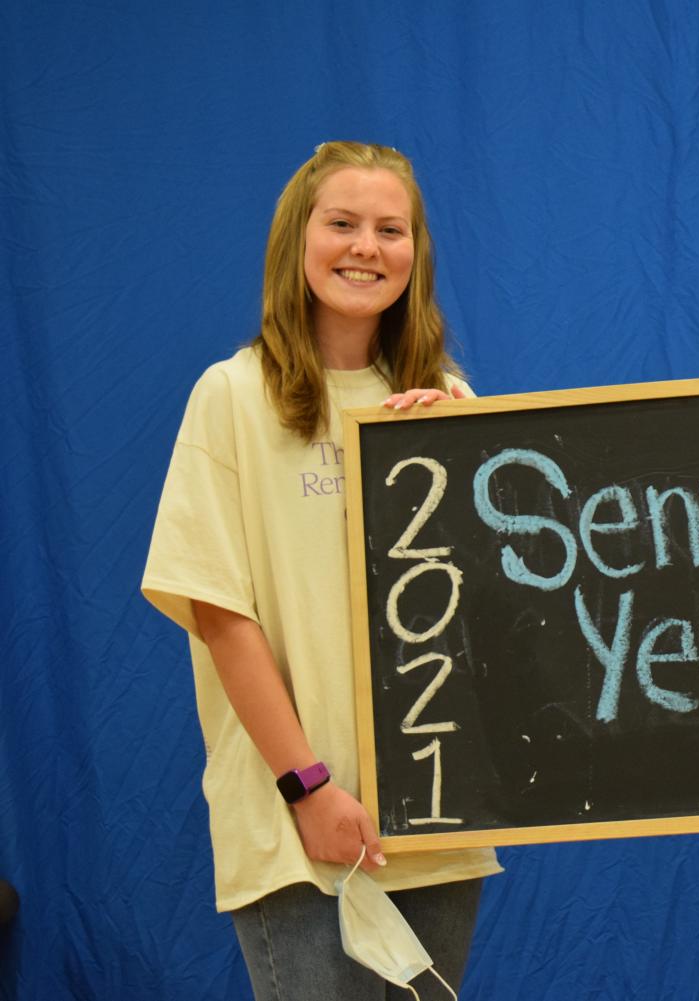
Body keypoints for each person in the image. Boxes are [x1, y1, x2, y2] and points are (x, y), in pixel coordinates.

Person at [142, 141, 501, 999]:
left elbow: (498, 617)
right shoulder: (231, 396)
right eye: (340, 223)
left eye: (390, 228)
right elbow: (220, 613)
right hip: (295, 820)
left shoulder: (447, 402)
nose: (364, 247)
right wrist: (308, 787)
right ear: (296, 242)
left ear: (416, 254)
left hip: (434, 818)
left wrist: (450, 456)